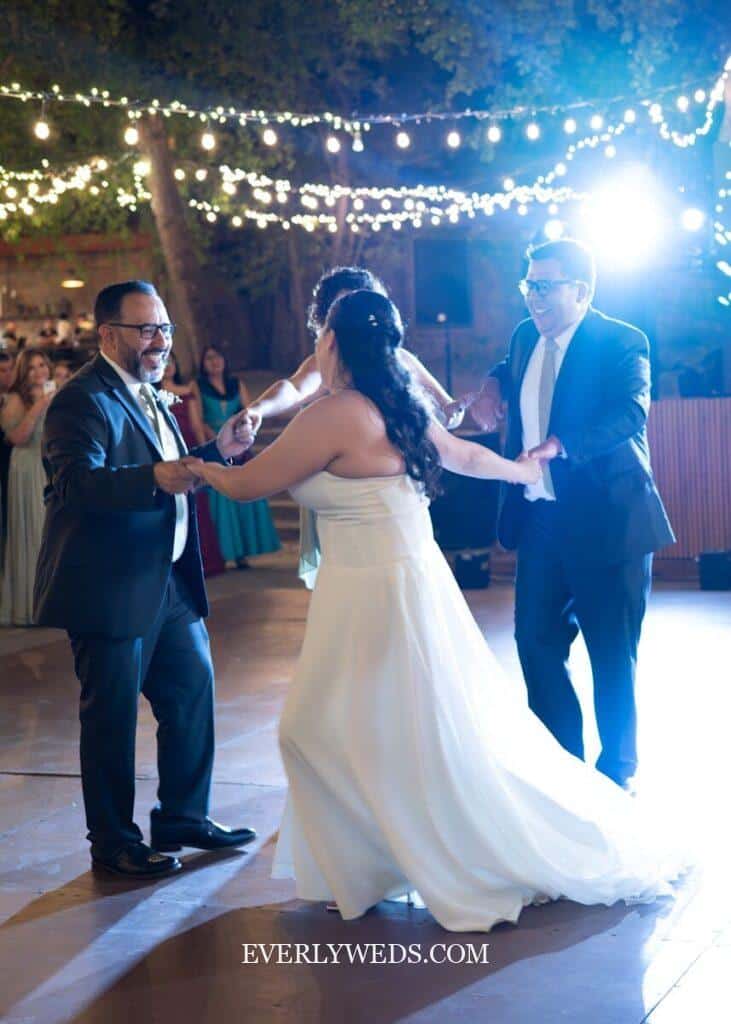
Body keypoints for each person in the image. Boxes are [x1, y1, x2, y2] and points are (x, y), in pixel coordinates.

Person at [184, 290, 684, 933]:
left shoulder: (335, 415)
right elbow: (466, 454)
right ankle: (369, 867)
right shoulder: (396, 403)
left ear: (330, 343)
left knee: (326, 730)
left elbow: (251, 483)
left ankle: (378, 866)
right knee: (384, 730)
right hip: (395, 585)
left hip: (374, 593)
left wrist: (194, 468)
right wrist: (518, 469)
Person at [33, 280, 258, 879]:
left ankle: (183, 815)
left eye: (164, 329)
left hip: (168, 583)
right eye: (147, 330)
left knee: (191, 690)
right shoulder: (82, 401)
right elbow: (76, 484)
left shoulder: (153, 395)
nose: (160, 340)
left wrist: (218, 448)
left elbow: (169, 467)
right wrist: (153, 478)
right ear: (108, 335)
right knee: (110, 718)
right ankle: (112, 839)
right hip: (110, 587)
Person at [468, 239, 674, 791]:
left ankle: (616, 775)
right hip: (540, 522)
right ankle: (563, 770)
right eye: (528, 285)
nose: (533, 297)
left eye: (545, 286)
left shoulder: (621, 341)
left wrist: (559, 445)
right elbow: (508, 368)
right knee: (535, 644)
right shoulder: (522, 335)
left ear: (580, 291)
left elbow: (628, 414)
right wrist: (491, 386)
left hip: (610, 522)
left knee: (612, 655)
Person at [244, 266, 466, 433]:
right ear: (327, 317)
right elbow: (293, 390)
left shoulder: (401, 360)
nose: (354, 317)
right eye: (343, 308)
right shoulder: (327, 360)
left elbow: (449, 411)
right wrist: (257, 409)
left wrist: (455, 412)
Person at [198, 344, 280, 569]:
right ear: (202, 364)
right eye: (209, 358)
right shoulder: (198, 386)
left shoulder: (236, 384)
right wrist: (216, 442)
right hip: (213, 446)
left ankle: (243, 552)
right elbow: (199, 419)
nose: (214, 362)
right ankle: (224, 552)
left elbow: (247, 410)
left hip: (238, 445)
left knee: (243, 496)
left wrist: (242, 431)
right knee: (221, 502)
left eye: (217, 357)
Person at [0, 350, 55, 626]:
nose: (38, 371)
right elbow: (17, 436)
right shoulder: (13, 399)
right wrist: (41, 403)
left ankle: (54, 601)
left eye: (42, 364)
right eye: (31, 367)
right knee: (33, 530)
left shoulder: (54, 392)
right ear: (24, 371)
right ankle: (32, 606)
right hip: (26, 468)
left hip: (50, 467)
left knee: (51, 534)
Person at [161, 353, 224, 577]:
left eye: (171, 361)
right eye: (164, 361)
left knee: (197, 505)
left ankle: (205, 561)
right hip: (163, 454)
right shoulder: (150, 393)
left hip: (187, 449)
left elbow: (197, 426)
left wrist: (203, 459)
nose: (167, 366)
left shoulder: (188, 392)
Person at [0, 352, 14, 555]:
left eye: (11, 369)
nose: (8, 375)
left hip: (14, 462)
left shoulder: (18, 398)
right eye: (2, 371)